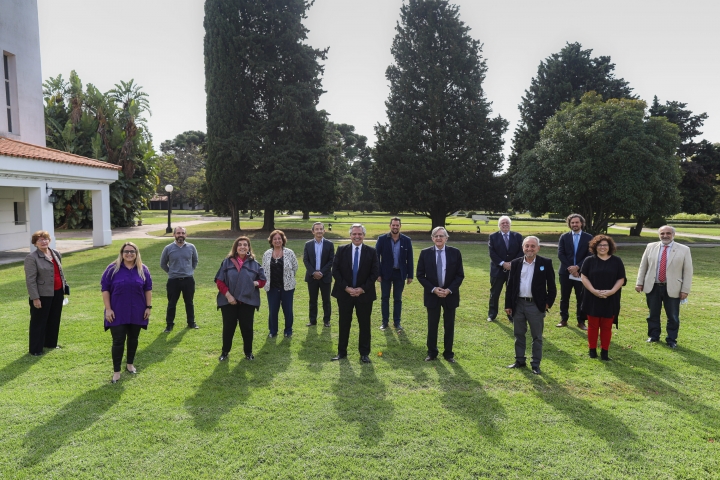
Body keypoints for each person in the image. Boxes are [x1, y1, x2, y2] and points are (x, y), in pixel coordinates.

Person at [101, 242, 152, 383]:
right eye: (126, 251)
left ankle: (130, 364)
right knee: (118, 341)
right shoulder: (112, 269)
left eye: (132, 251)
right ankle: (116, 371)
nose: (129, 254)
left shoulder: (143, 269)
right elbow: (105, 289)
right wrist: (108, 309)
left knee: (133, 339)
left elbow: (148, 289)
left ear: (137, 253)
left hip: (137, 310)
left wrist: (148, 307)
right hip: (117, 311)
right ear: (121, 253)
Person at [505, 236, 556, 375]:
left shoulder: (545, 263)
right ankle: (520, 360)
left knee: (537, 336)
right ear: (523, 248)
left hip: (536, 305)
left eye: (533, 246)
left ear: (538, 248)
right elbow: (510, 286)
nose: (529, 248)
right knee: (519, 334)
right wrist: (508, 304)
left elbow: (552, 286)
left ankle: (535, 364)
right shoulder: (515, 263)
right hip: (518, 304)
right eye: (527, 246)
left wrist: (547, 304)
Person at [635, 225, 693, 349]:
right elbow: (643, 266)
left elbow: (688, 271)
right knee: (653, 314)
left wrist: (685, 290)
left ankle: (671, 339)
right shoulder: (650, 247)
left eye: (668, 233)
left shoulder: (684, 249)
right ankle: (654, 336)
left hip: (673, 288)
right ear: (659, 235)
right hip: (653, 286)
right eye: (662, 233)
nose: (665, 236)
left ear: (673, 235)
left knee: (672, 316)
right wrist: (639, 283)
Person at [331, 224, 379, 363]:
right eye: (354, 234)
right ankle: (341, 352)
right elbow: (336, 271)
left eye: (360, 234)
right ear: (350, 235)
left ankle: (364, 354)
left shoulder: (371, 251)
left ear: (364, 235)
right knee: (344, 323)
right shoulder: (341, 250)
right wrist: (346, 288)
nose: (357, 236)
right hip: (344, 294)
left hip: (364, 295)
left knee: (364, 324)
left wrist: (361, 289)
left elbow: (374, 273)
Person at [416, 227, 464, 363]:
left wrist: (449, 290)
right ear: (432, 238)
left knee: (449, 325)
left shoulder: (455, 253)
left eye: (441, 236)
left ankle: (448, 354)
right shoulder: (425, 253)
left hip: (450, 295)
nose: (438, 238)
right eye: (435, 236)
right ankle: (432, 352)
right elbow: (420, 275)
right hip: (432, 295)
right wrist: (433, 289)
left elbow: (460, 275)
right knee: (432, 324)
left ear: (446, 238)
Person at [214, 236, 266, 361]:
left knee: (247, 328)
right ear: (236, 248)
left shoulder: (255, 264)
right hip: (228, 301)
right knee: (228, 327)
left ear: (248, 248)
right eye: (240, 245)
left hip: (247, 301)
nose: (242, 247)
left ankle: (248, 353)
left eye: (245, 245)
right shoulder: (227, 262)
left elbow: (263, 280)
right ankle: (225, 352)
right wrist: (229, 296)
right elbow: (219, 281)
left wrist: (255, 283)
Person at [580, 235, 626, 360]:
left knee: (606, 326)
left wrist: (611, 291)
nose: (602, 247)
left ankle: (605, 352)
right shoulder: (589, 260)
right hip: (592, 297)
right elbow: (584, 277)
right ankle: (592, 350)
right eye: (600, 245)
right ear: (595, 247)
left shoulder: (617, 261)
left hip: (610, 298)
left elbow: (621, 279)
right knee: (593, 325)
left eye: (605, 245)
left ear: (610, 247)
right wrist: (594, 291)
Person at [24, 230, 68, 356]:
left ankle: (51, 343)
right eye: (40, 240)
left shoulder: (56, 253)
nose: (43, 242)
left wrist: (64, 288)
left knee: (54, 319)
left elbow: (59, 272)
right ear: (35, 243)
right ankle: (36, 349)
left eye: (45, 239)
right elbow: (30, 280)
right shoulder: (31, 258)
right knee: (39, 322)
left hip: (58, 292)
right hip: (42, 295)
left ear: (49, 240)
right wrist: (35, 298)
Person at [375, 217, 414, 332]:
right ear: (390, 226)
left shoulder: (406, 240)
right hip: (385, 273)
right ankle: (384, 322)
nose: (395, 227)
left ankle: (397, 322)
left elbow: (409, 259)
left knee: (398, 299)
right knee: (385, 298)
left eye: (397, 225)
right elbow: (376, 257)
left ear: (400, 226)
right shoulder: (382, 239)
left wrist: (410, 275)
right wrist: (378, 273)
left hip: (400, 273)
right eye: (393, 225)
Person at [556, 214, 593, 330]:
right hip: (565, 272)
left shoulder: (589, 237)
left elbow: (590, 255)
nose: (574, 225)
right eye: (572, 223)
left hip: (581, 273)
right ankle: (564, 319)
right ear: (569, 224)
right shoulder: (564, 237)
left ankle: (581, 321)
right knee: (564, 297)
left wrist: (578, 267)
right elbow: (560, 254)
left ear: (581, 223)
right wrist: (571, 268)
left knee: (581, 298)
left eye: (577, 222)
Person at [160, 226, 199, 332]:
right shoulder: (168, 248)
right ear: (174, 235)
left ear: (186, 235)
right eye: (178, 233)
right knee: (172, 303)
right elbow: (163, 263)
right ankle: (169, 325)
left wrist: (189, 271)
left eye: (182, 233)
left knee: (189, 302)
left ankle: (191, 323)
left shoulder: (191, 247)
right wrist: (171, 272)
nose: (180, 235)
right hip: (173, 281)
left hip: (188, 280)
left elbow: (195, 261)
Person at [262, 230, 299, 338]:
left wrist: (289, 278)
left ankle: (288, 330)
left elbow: (295, 267)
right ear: (271, 241)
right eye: (275, 239)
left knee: (288, 310)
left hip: (287, 287)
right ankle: (273, 331)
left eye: (279, 238)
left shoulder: (289, 252)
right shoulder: (267, 254)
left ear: (283, 240)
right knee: (273, 310)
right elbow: (264, 270)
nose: (277, 241)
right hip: (272, 287)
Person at [487, 216, 523, 322]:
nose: (505, 224)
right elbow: (492, 253)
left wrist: (512, 263)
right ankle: (492, 314)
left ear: (510, 224)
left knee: (511, 293)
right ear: (499, 225)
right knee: (495, 293)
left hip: (513, 270)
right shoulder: (493, 237)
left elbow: (521, 252)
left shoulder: (518, 236)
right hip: (497, 270)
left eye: (507, 223)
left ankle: (511, 315)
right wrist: (503, 263)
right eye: (503, 223)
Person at [303, 222, 334, 327]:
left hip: (325, 277)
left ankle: (326, 321)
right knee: (313, 300)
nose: (319, 231)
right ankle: (312, 320)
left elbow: (331, 260)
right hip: (312, 277)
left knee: (326, 300)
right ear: (313, 231)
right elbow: (306, 260)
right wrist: (313, 272)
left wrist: (321, 272)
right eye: (317, 229)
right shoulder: (308, 244)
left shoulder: (330, 244)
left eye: (321, 229)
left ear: (324, 231)